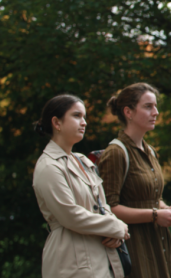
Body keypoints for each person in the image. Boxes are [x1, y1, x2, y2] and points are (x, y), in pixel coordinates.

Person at [32, 94, 130, 278]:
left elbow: (103, 205)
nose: (84, 122)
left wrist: (114, 230)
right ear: (57, 122)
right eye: (76, 116)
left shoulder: (83, 161)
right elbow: (70, 215)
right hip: (70, 260)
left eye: (84, 117)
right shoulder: (48, 166)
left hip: (103, 256)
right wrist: (116, 227)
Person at [98, 83, 171, 278]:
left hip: (158, 241)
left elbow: (153, 198)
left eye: (155, 106)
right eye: (148, 106)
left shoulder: (149, 151)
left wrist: (169, 209)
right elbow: (108, 208)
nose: (155, 112)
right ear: (128, 112)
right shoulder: (116, 152)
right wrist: (156, 215)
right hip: (134, 244)